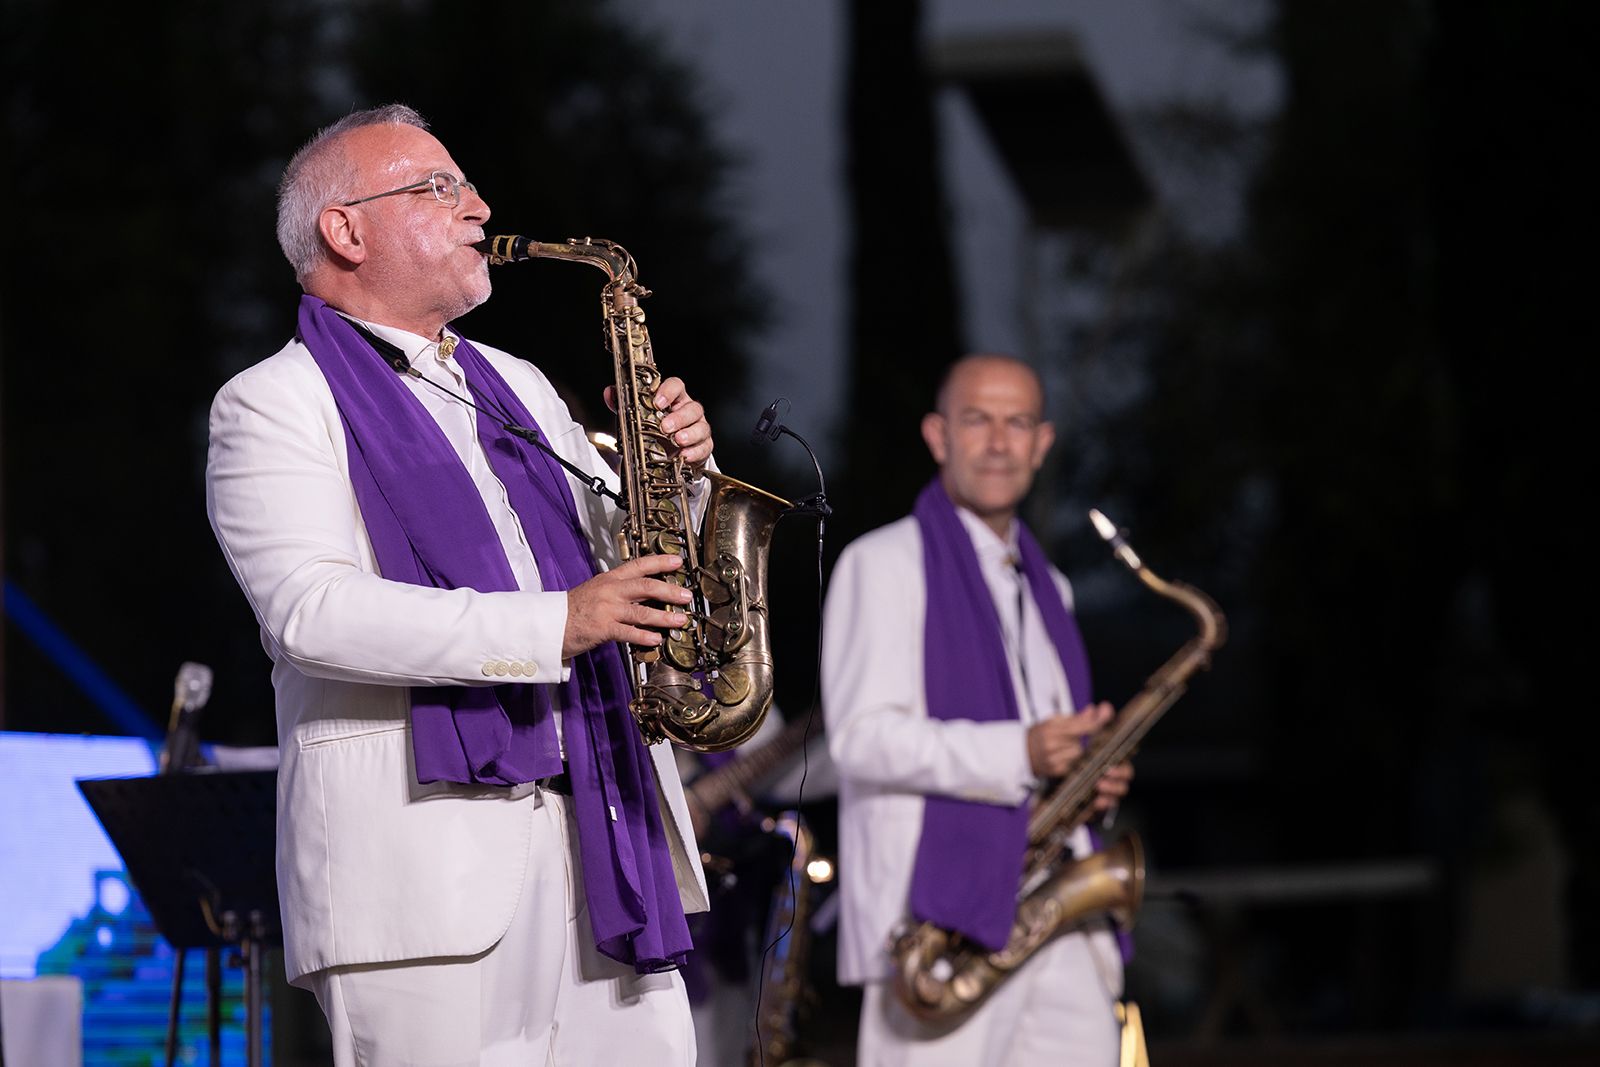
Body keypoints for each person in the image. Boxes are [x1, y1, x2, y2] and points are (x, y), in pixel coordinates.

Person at [206, 103, 716, 1065]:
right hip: (418, 873)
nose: (479, 206)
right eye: (438, 186)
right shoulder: (272, 401)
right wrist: (556, 624)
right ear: (345, 229)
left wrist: (675, 477)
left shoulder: (516, 383)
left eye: (467, 184)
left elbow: (623, 565)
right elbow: (311, 611)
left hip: (603, 832)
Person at [821, 354, 1135, 1066]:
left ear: (1042, 442)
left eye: (1017, 422)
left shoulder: (1049, 581)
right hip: (935, 926)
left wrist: (1090, 777)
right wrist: (1020, 754)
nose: (999, 442)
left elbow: (1049, 736)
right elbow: (859, 742)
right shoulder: (881, 563)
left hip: (1054, 912)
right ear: (938, 435)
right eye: (977, 419)